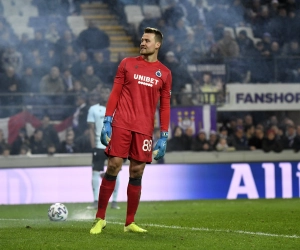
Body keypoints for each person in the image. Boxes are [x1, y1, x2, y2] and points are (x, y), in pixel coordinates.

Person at [90, 27, 172, 234]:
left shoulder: (165, 73)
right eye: (142, 40)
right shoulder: (127, 63)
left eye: (147, 40)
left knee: (137, 171)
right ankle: (100, 218)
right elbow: (116, 92)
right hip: (122, 124)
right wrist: (108, 120)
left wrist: (164, 135)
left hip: (144, 129)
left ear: (157, 44)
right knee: (113, 166)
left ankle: (129, 222)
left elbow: (165, 106)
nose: (142, 43)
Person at [86, 95, 120, 210]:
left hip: (114, 146)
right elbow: (91, 128)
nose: (104, 95)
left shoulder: (117, 108)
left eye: (107, 93)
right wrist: (93, 145)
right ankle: (96, 200)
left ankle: (114, 201)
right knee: (95, 172)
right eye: (102, 93)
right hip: (99, 146)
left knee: (116, 172)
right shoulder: (93, 109)